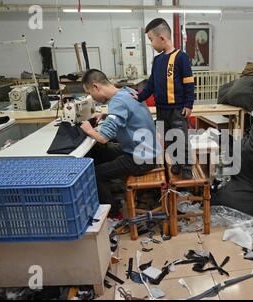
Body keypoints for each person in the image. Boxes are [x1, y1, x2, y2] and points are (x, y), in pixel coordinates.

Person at [80, 69, 161, 216]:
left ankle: (112, 214)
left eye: (91, 94)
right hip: (145, 151)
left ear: (96, 86)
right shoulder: (127, 91)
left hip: (140, 159)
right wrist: (106, 115)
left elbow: (104, 137)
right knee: (100, 151)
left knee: (96, 173)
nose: (93, 98)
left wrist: (88, 129)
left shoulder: (117, 103)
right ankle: (111, 193)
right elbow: (127, 112)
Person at [133, 18, 195, 179]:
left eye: (151, 40)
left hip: (177, 109)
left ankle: (187, 165)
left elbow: (189, 83)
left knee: (180, 138)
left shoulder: (181, 57)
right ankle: (176, 162)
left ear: (161, 38)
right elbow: (151, 84)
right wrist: (139, 97)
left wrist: (189, 104)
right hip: (161, 110)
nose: (151, 44)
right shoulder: (158, 60)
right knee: (169, 139)